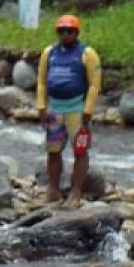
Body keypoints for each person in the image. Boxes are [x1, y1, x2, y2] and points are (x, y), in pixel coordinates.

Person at [36, 14, 102, 209]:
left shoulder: (87, 53)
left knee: (80, 151)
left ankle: (76, 192)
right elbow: (41, 81)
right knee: (53, 150)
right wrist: (41, 106)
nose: (65, 35)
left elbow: (95, 84)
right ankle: (53, 190)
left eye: (69, 31)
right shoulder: (49, 53)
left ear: (76, 33)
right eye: (62, 31)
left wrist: (88, 110)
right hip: (54, 109)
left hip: (76, 110)